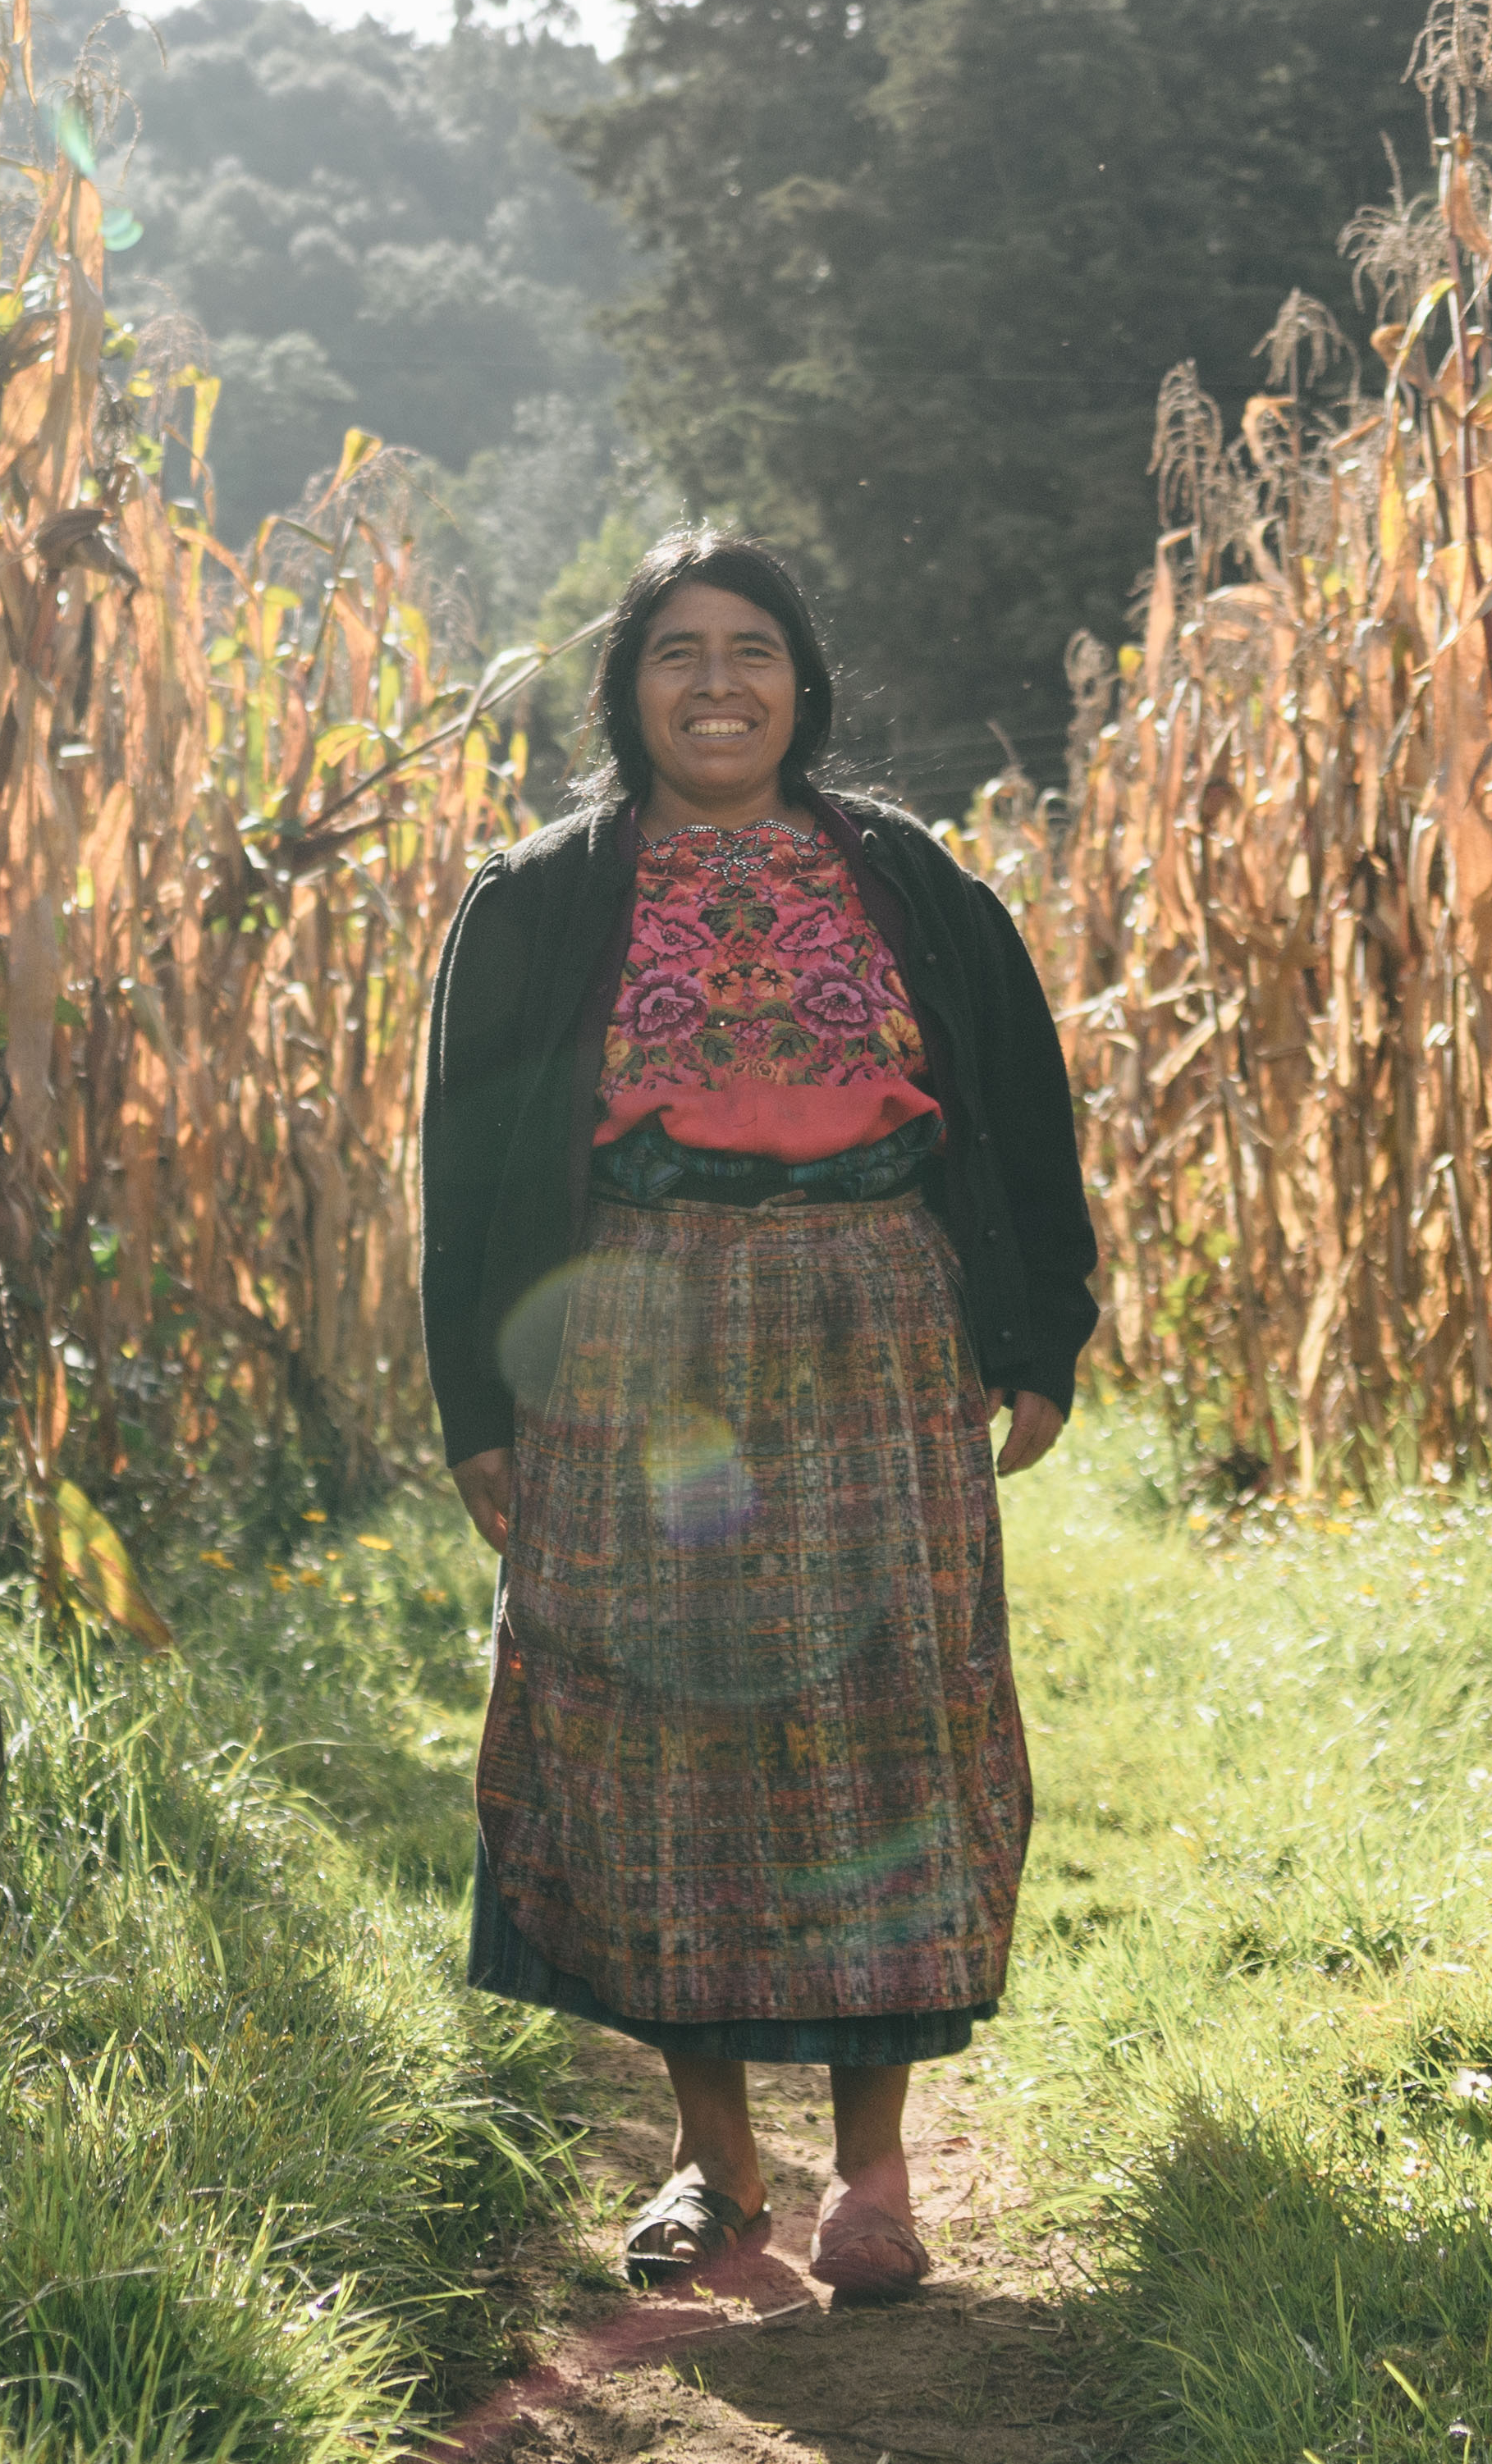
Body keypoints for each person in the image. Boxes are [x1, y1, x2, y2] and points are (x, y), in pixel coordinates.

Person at [411, 528, 1095, 2305]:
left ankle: (876, 2171)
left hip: (876, 1314)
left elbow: (1021, 1112)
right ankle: (719, 2170)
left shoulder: (915, 883)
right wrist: (476, 1396)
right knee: (657, 1737)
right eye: (676, 655)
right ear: (627, 690)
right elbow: (469, 1164)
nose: (718, 684)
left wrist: (1040, 1338)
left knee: (897, 1716)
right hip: (635, 1329)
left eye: (753, 650)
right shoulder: (543, 895)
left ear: (805, 680)